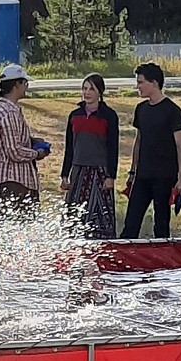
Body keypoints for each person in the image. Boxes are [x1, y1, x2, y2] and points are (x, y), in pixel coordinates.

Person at [119, 62, 181, 239]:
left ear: (154, 83)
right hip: (142, 175)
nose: (138, 86)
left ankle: (162, 260)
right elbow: (139, 141)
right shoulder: (141, 109)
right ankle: (124, 260)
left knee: (161, 223)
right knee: (131, 223)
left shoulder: (172, 111)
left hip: (164, 176)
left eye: (141, 82)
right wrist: (133, 171)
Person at [60, 73, 120, 239]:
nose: (87, 93)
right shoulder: (75, 115)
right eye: (84, 89)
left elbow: (113, 147)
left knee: (100, 211)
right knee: (75, 211)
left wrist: (111, 175)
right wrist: (65, 174)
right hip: (79, 170)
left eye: (91, 89)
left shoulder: (108, 116)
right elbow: (70, 148)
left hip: (99, 171)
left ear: (99, 92)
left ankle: (103, 242)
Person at [0, 63, 50, 211]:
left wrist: (30, 141)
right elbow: (14, 151)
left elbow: (7, 140)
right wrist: (37, 154)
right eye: (25, 83)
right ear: (16, 85)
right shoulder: (10, 113)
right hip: (14, 182)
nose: (26, 86)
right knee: (21, 227)